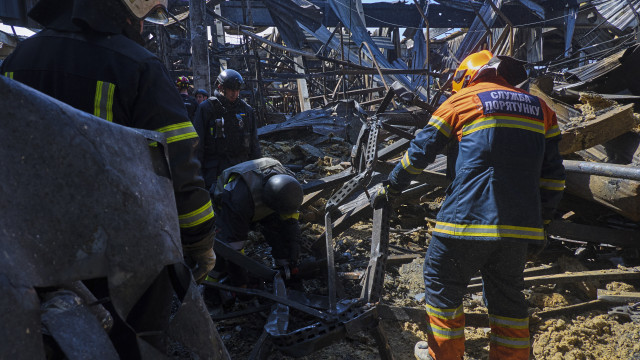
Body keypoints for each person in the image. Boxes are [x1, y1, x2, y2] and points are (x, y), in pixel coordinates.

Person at [0, 0, 216, 284]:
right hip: (113, 258)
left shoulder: (17, 60)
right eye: (143, 18)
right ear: (127, 11)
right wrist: (199, 241)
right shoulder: (139, 67)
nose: (142, 28)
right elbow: (179, 166)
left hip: (25, 249)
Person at [376, 50, 565, 360]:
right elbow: (554, 177)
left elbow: (420, 151)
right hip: (519, 227)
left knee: (441, 281)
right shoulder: (542, 109)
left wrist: (392, 186)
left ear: (466, 76)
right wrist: (541, 226)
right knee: (507, 299)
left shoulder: (462, 100)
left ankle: (445, 355)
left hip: (464, 220)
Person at [210, 157, 303, 287]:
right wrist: (241, 282)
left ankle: (285, 268)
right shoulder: (238, 201)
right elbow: (234, 248)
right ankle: (210, 285)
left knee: (280, 231)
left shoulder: (289, 184)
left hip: (259, 201)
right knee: (223, 251)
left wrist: (294, 246)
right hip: (226, 206)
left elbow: (291, 220)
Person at [193, 69, 261, 190]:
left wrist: (258, 171)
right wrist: (197, 175)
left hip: (240, 168)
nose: (235, 94)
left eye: (237, 90)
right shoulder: (207, 108)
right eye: (231, 90)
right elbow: (198, 145)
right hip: (214, 170)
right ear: (220, 87)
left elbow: (254, 143)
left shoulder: (246, 110)